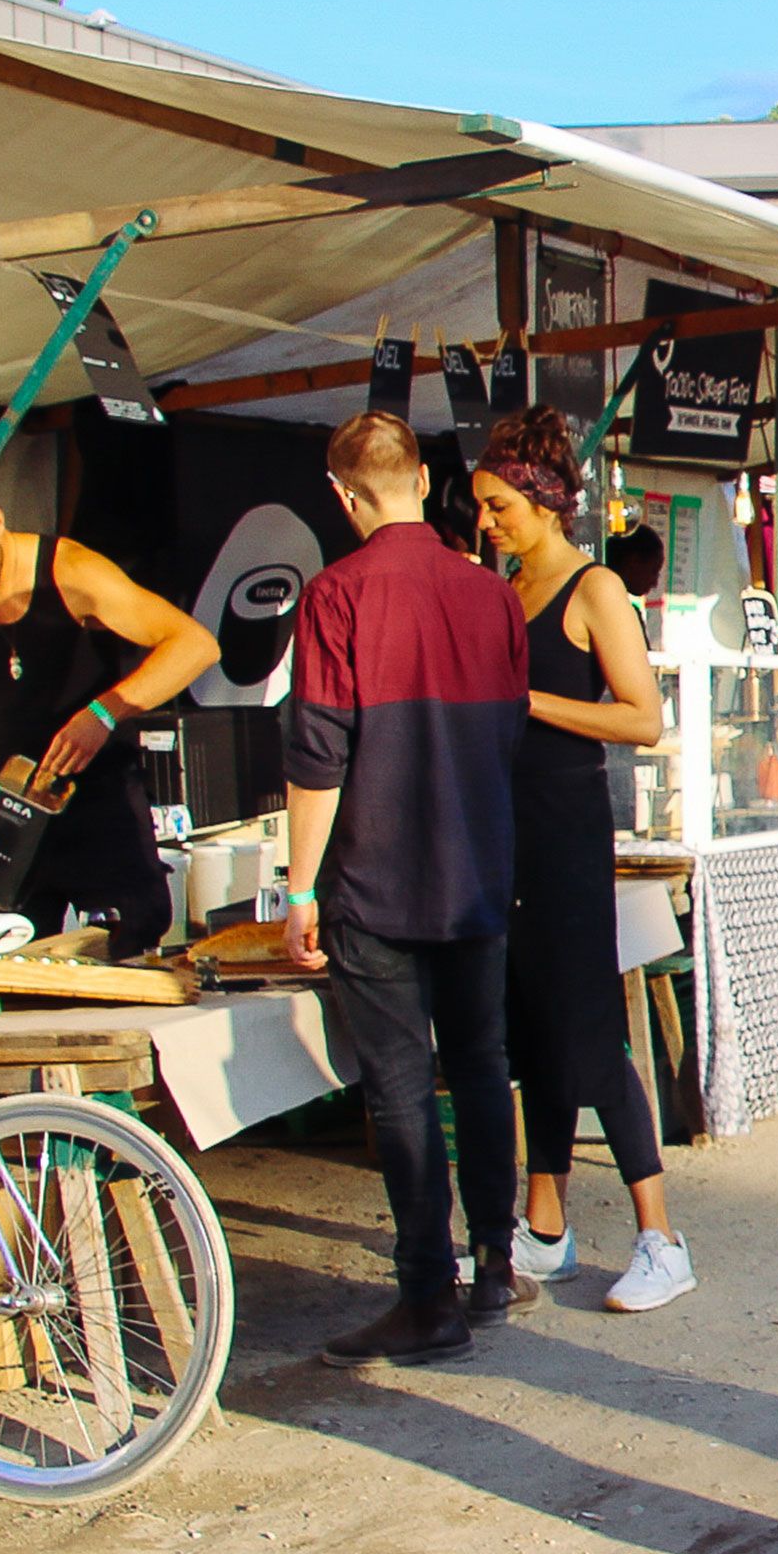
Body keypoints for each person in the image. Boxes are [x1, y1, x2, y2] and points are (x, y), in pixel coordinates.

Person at [283, 411, 531, 1367]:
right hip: (477, 867)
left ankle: (428, 1296)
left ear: (342, 495)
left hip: (378, 875)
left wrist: (298, 889)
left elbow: (318, 755)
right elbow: (508, 731)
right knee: (480, 1065)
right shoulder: (492, 595)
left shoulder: (333, 595)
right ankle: (495, 1265)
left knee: (398, 1086)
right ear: (425, 482)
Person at [470, 409, 696, 1315]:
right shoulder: (506, 589)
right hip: (506, 828)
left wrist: (525, 700)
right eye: (481, 507)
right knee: (532, 1030)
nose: (486, 522)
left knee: (589, 1032)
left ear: (544, 501)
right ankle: (546, 1227)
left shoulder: (593, 587)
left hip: (566, 825)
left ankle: (661, 1238)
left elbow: (642, 717)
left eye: (498, 506)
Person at [0, 498, 221, 957]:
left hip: (100, 797)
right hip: (14, 802)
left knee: (127, 948)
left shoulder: (73, 570)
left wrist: (103, 714)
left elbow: (195, 645)